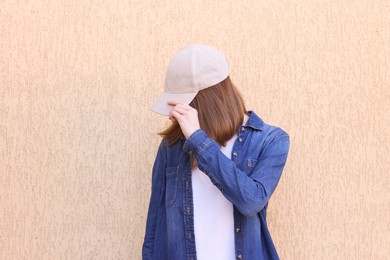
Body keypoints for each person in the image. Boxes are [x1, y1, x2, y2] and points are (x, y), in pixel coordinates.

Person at [142, 44, 290, 260]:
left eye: (185, 104)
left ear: (206, 101)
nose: (176, 113)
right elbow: (154, 226)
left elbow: (251, 201)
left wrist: (198, 141)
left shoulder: (270, 140)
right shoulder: (172, 146)